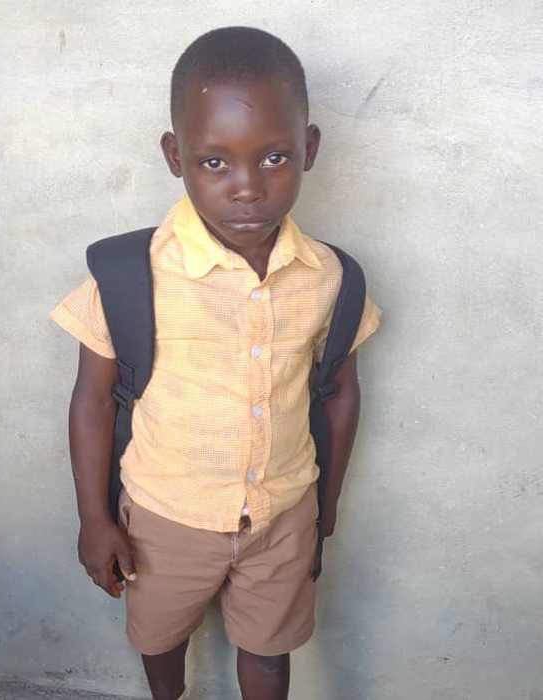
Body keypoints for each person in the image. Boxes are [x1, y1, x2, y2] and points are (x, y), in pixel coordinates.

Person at [51, 26, 380, 700]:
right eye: (214, 162)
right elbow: (92, 400)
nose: (247, 189)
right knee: (160, 641)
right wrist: (94, 519)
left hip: (284, 514)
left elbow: (341, 392)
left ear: (310, 148)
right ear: (176, 157)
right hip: (164, 517)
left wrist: (326, 504)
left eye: (275, 157)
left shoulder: (330, 278)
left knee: (269, 654)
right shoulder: (130, 275)